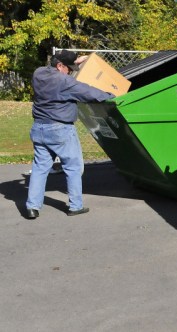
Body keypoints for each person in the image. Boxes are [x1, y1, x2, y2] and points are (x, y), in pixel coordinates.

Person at [25, 50, 114, 219]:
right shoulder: (64, 82)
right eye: (70, 69)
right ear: (60, 66)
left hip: (39, 128)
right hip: (60, 130)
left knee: (40, 168)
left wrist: (77, 60)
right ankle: (75, 206)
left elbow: (58, 66)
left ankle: (32, 207)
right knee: (73, 167)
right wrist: (111, 95)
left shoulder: (38, 73)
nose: (72, 71)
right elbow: (89, 92)